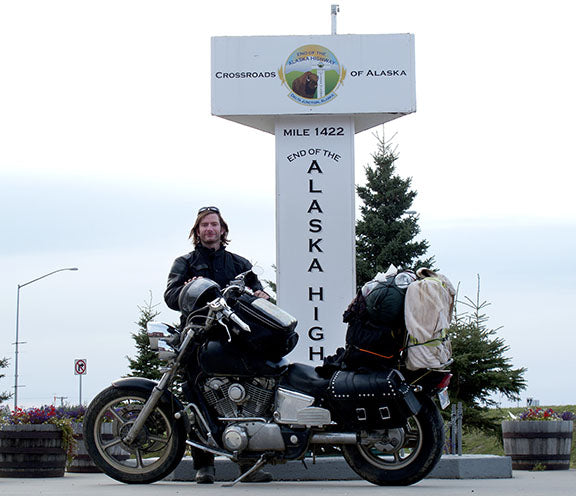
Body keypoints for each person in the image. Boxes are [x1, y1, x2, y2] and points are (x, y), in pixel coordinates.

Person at [164, 206, 272, 484]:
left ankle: (249, 464)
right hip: (196, 339)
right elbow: (170, 295)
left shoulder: (239, 263)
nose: (209, 229)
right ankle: (204, 466)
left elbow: (257, 292)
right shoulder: (184, 263)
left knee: (243, 398)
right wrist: (189, 288)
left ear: (223, 230)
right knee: (197, 399)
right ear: (197, 231)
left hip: (234, 339)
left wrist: (262, 294)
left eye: (214, 225)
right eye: (204, 225)